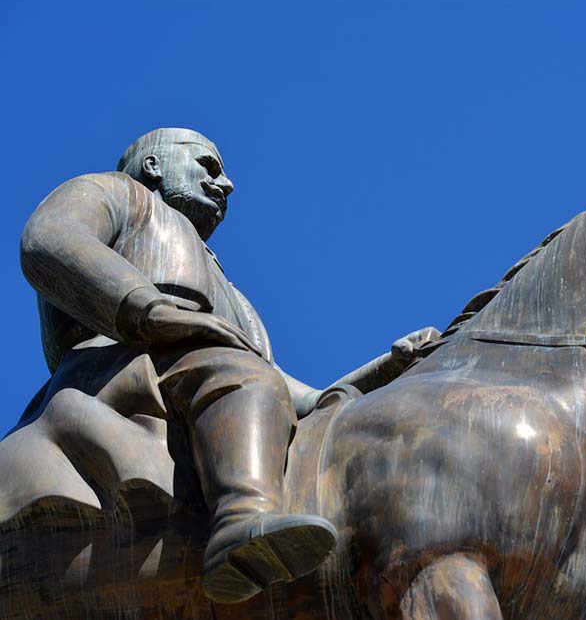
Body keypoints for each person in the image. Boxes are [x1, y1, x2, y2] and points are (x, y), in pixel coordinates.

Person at [19, 128, 437, 604]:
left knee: (253, 382)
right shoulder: (118, 195)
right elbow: (49, 238)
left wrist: (386, 369)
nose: (227, 184)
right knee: (240, 376)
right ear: (154, 165)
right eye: (208, 166)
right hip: (122, 369)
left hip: (211, 375)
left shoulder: (228, 292)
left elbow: (286, 393)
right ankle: (240, 521)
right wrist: (147, 311)